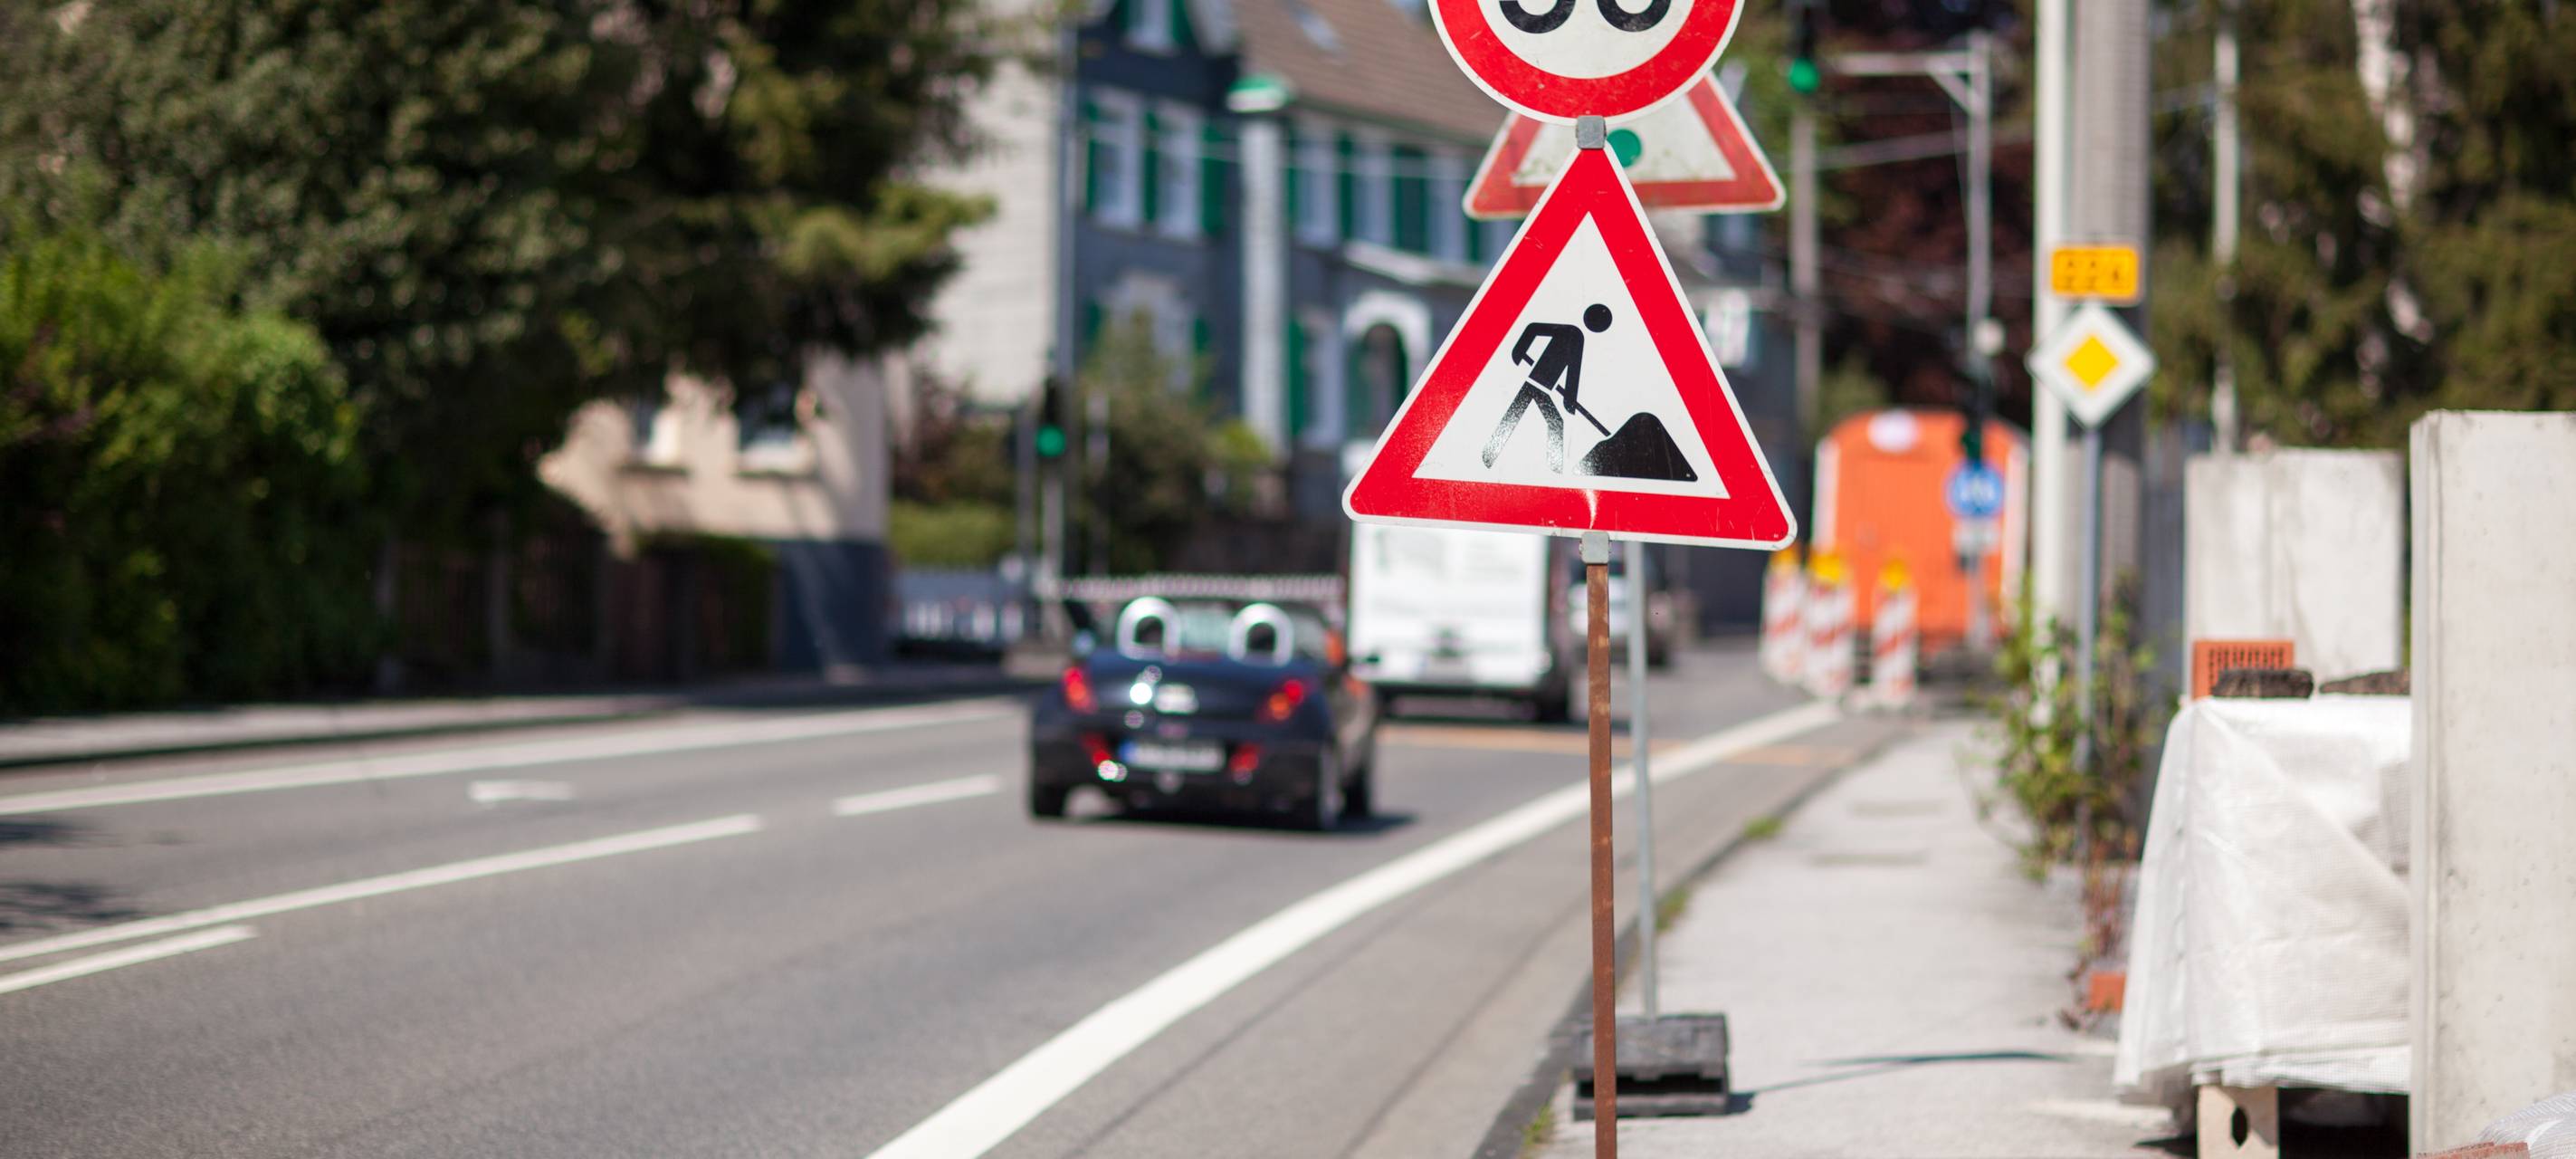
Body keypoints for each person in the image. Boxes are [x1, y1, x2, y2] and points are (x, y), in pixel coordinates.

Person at [1484, 303, 1613, 473]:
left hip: (1539, 387)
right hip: (1537, 385)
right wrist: (1519, 351)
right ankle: (1554, 470)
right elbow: (1534, 329)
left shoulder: (1573, 334)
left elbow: (1572, 373)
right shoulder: (1574, 335)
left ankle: (1489, 455)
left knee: (1517, 415)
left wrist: (1569, 400)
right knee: (1546, 421)